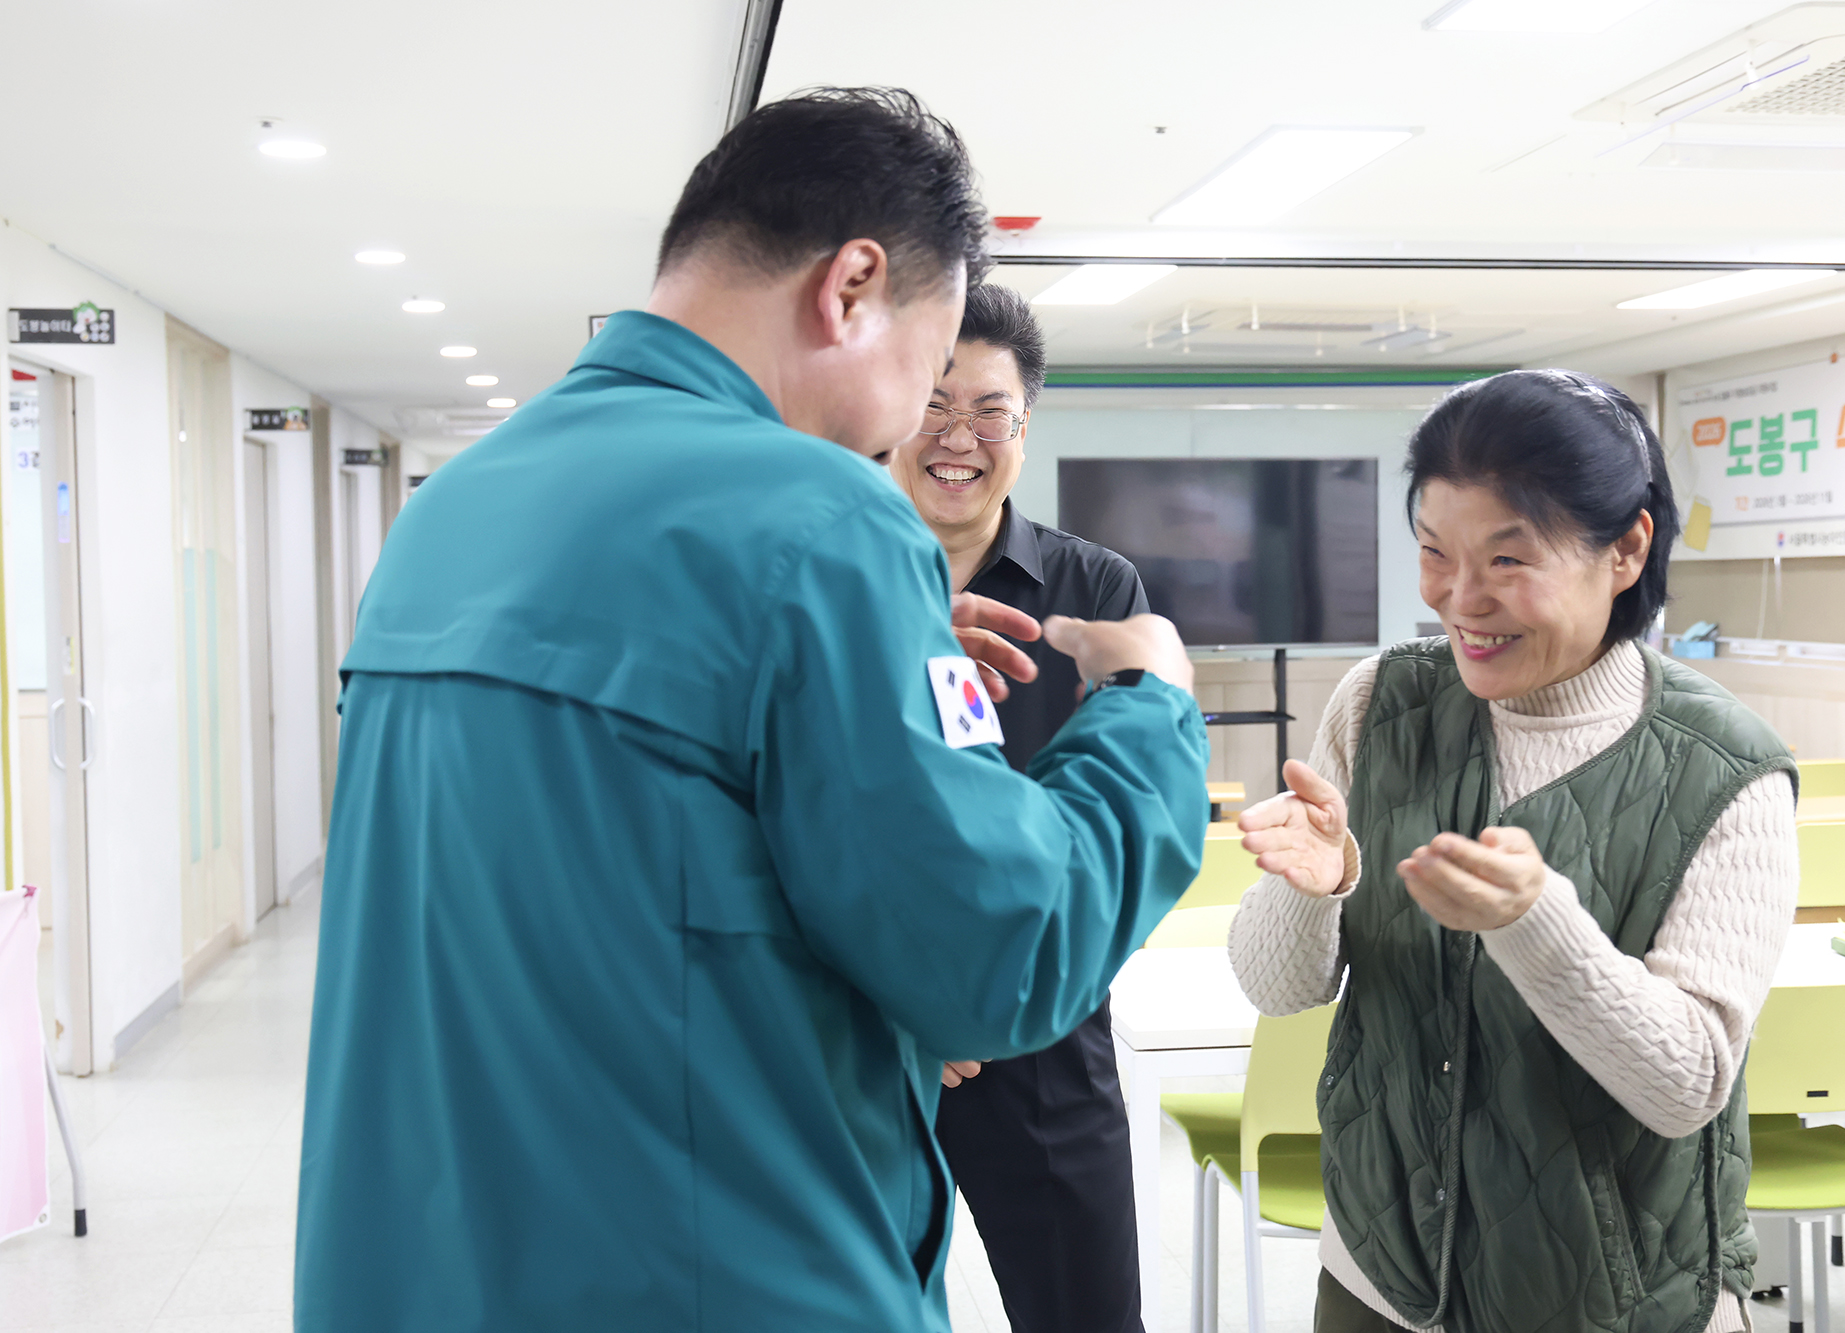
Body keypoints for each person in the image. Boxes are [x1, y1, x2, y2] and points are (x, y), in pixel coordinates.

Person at [295, 88, 1213, 1333]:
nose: (914, 424)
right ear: (851, 287)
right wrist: (1146, 703)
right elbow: (1002, 958)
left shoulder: (447, 514)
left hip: (440, 1275)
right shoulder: (822, 520)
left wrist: (859, 664)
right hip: (717, 1275)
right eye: (927, 367)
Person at [1227, 370, 1799, 1333]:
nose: (1460, 599)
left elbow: (1687, 1084)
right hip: (1381, 1277)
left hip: (1617, 1299)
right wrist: (1314, 889)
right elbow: (1274, 987)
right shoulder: (1380, 703)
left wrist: (1535, 924)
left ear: (1626, 549)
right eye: (1434, 552)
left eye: (1507, 559)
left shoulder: (1726, 770)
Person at [885, 283, 1149, 1333]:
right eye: (932, 403)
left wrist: (996, 994)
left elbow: (1119, 822)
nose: (958, 437)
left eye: (988, 411)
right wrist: (910, 992)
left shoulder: (1096, 591)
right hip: (861, 1032)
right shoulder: (819, 580)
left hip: (1043, 1034)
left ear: (1024, 427)